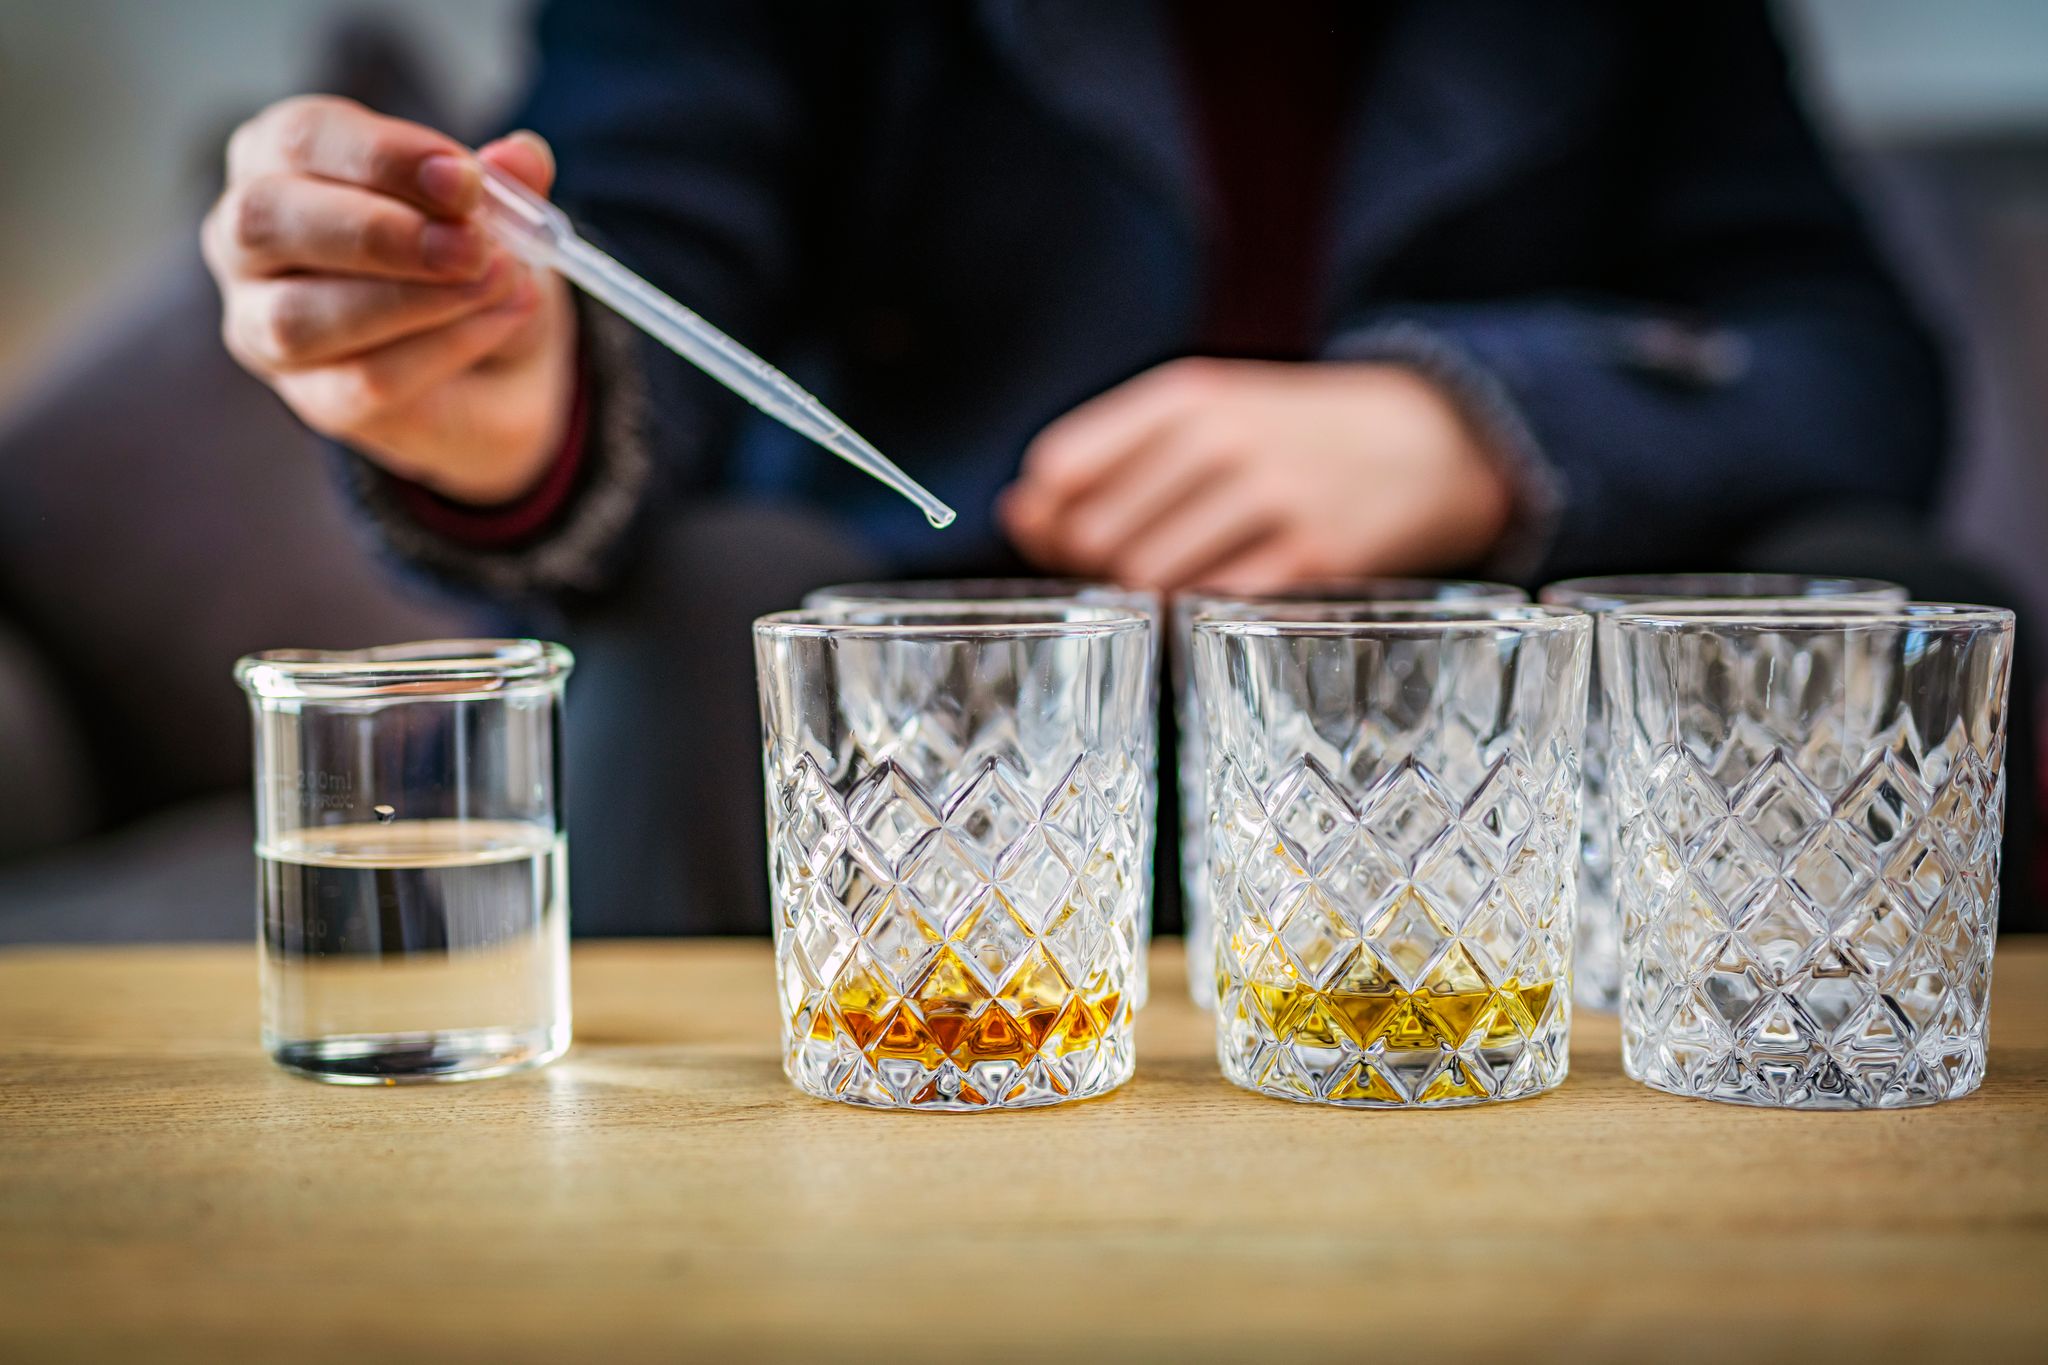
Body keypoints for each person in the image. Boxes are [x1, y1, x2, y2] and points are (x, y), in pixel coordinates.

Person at [203, 1, 1964, 934]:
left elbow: (1856, 359)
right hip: (941, 756)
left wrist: (1475, 426)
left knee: (1886, 584)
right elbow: (637, 271)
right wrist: (499, 398)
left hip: (1488, 775)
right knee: (704, 623)